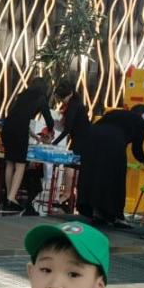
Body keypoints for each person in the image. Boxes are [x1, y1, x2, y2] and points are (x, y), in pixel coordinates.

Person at [76, 104, 144, 228]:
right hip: (114, 144)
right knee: (115, 179)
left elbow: (95, 126)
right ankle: (115, 216)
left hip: (92, 139)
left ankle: (96, 213)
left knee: (94, 175)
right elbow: (137, 150)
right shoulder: (139, 121)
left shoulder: (114, 112)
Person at [1, 76, 55, 211]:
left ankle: (8, 196)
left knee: (10, 162)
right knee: (20, 165)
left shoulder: (22, 96)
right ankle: (11, 198)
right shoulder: (41, 98)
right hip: (19, 131)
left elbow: (17, 117)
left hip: (7, 128)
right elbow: (49, 119)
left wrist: (33, 135)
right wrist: (49, 132)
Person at [50, 81, 91, 211]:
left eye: (63, 98)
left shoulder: (74, 106)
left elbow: (67, 129)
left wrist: (54, 143)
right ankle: (70, 195)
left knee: (71, 165)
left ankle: (67, 194)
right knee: (74, 166)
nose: (62, 101)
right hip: (81, 138)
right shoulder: (75, 104)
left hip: (82, 139)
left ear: (70, 94)